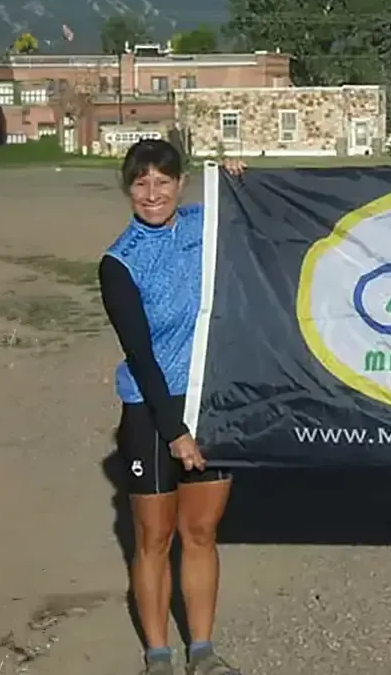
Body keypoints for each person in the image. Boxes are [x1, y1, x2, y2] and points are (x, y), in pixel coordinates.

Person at [99, 139, 245, 675]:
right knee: (154, 537)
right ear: (128, 189)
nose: (152, 193)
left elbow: (254, 214)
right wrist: (175, 430)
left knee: (201, 532)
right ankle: (158, 655)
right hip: (151, 406)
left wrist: (236, 176)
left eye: (163, 181)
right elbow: (140, 355)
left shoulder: (202, 228)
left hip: (210, 398)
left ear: (180, 183)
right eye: (141, 183)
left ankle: (201, 650)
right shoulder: (119, 263)